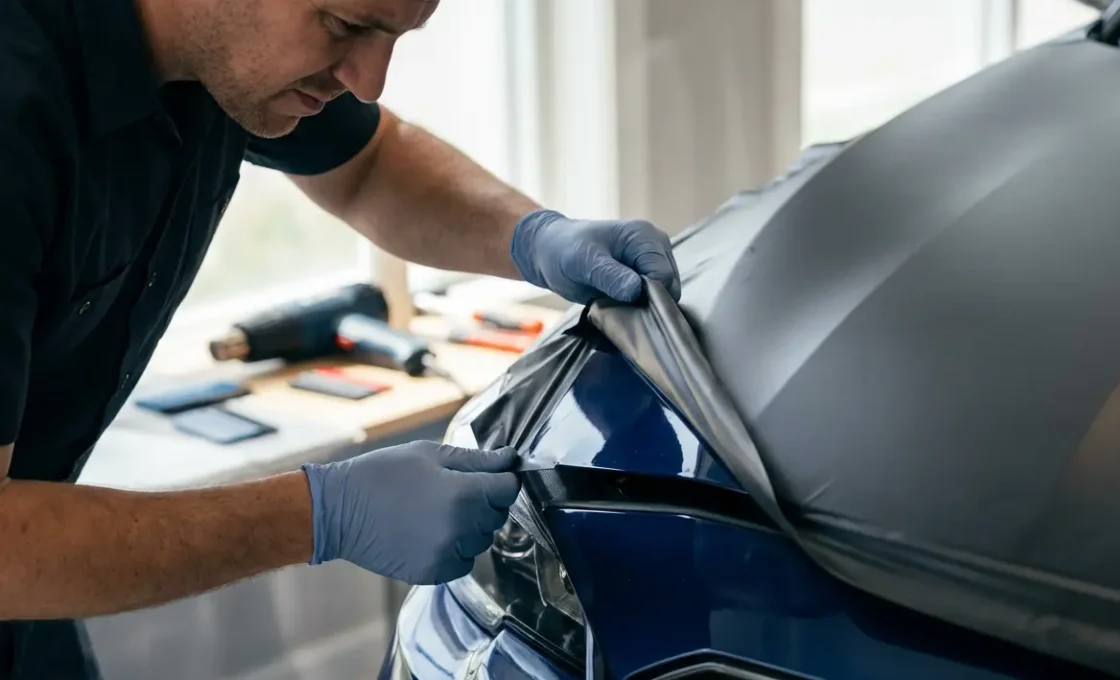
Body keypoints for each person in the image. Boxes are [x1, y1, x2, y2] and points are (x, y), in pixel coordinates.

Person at [0, 0, 682, 675]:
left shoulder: (221, 58)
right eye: (345, 26)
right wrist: (322, 514)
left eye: (394, 37)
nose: (368, 79)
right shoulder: (16, 97)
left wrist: (532, 236)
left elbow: (369, 165)